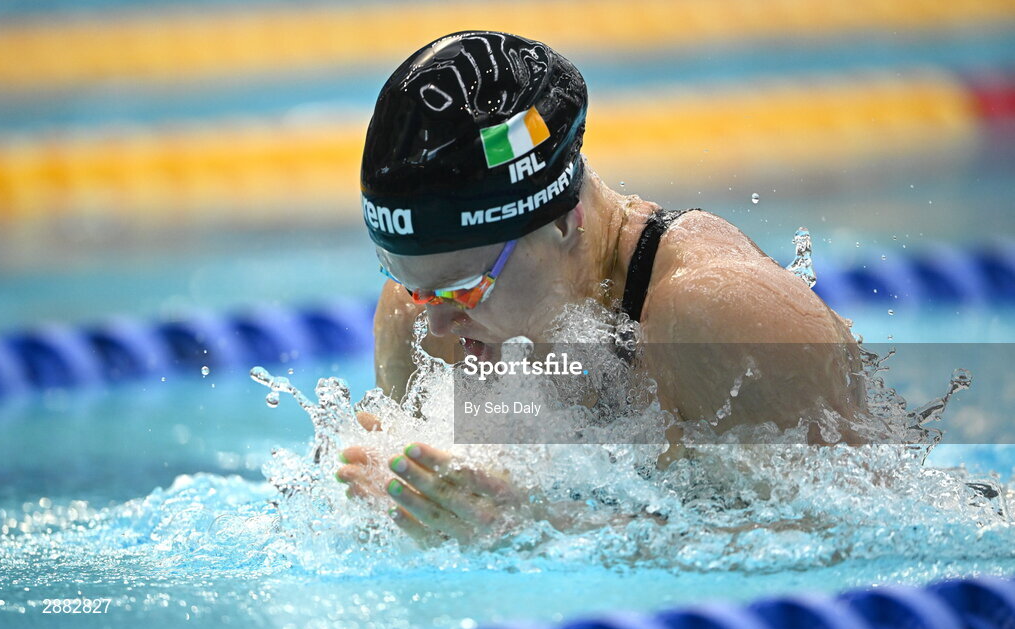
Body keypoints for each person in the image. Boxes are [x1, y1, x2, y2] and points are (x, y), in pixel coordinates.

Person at [335, 30, 862, 546]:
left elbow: (858, 536)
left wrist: (549, 529)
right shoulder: (419, 322)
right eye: (413, 288)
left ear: (563, 223)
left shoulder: (721, 318)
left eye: (464, 288)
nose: (437, 323)